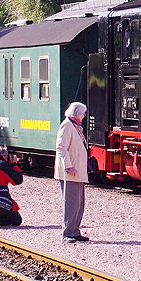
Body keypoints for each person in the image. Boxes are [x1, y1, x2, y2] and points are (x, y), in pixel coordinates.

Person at [55, 101, 90, 243]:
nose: (85, 115)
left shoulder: (75, 126)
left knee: (79, 203)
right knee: (70, 202)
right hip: (70, 172)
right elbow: (61, 147)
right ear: (77, 113)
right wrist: (68, 166)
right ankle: (67, 233)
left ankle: (75, 231)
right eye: (83, 112)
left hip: (78, 171)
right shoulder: (67, 125)